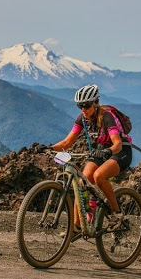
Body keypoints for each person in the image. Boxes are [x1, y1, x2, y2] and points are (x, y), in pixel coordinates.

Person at [36, 84, 133, 233]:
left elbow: (117, 144)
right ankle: (77, 227)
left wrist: (108, 151)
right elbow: (67, 142)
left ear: (95, 103)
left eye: (86, 106)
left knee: (99, 176)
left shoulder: (107, 117)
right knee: (82, 181)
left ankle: (116, 214)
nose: (83, 109)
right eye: (80, 106)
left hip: (120, 152)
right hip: (100, 152)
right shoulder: (83, 118)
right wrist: (48, 148)